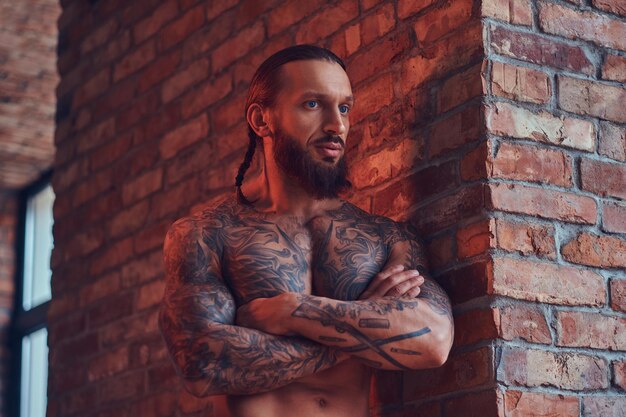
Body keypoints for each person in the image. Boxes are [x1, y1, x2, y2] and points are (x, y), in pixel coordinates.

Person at [159, 45, 454, 417]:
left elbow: (435, 341)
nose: (337, 125)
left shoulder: (384, 238)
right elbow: (203, 365)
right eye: (313, 104)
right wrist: (360, 326)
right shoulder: (207, 234)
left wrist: (291, 311)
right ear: (261, 120)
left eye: (344, 107)